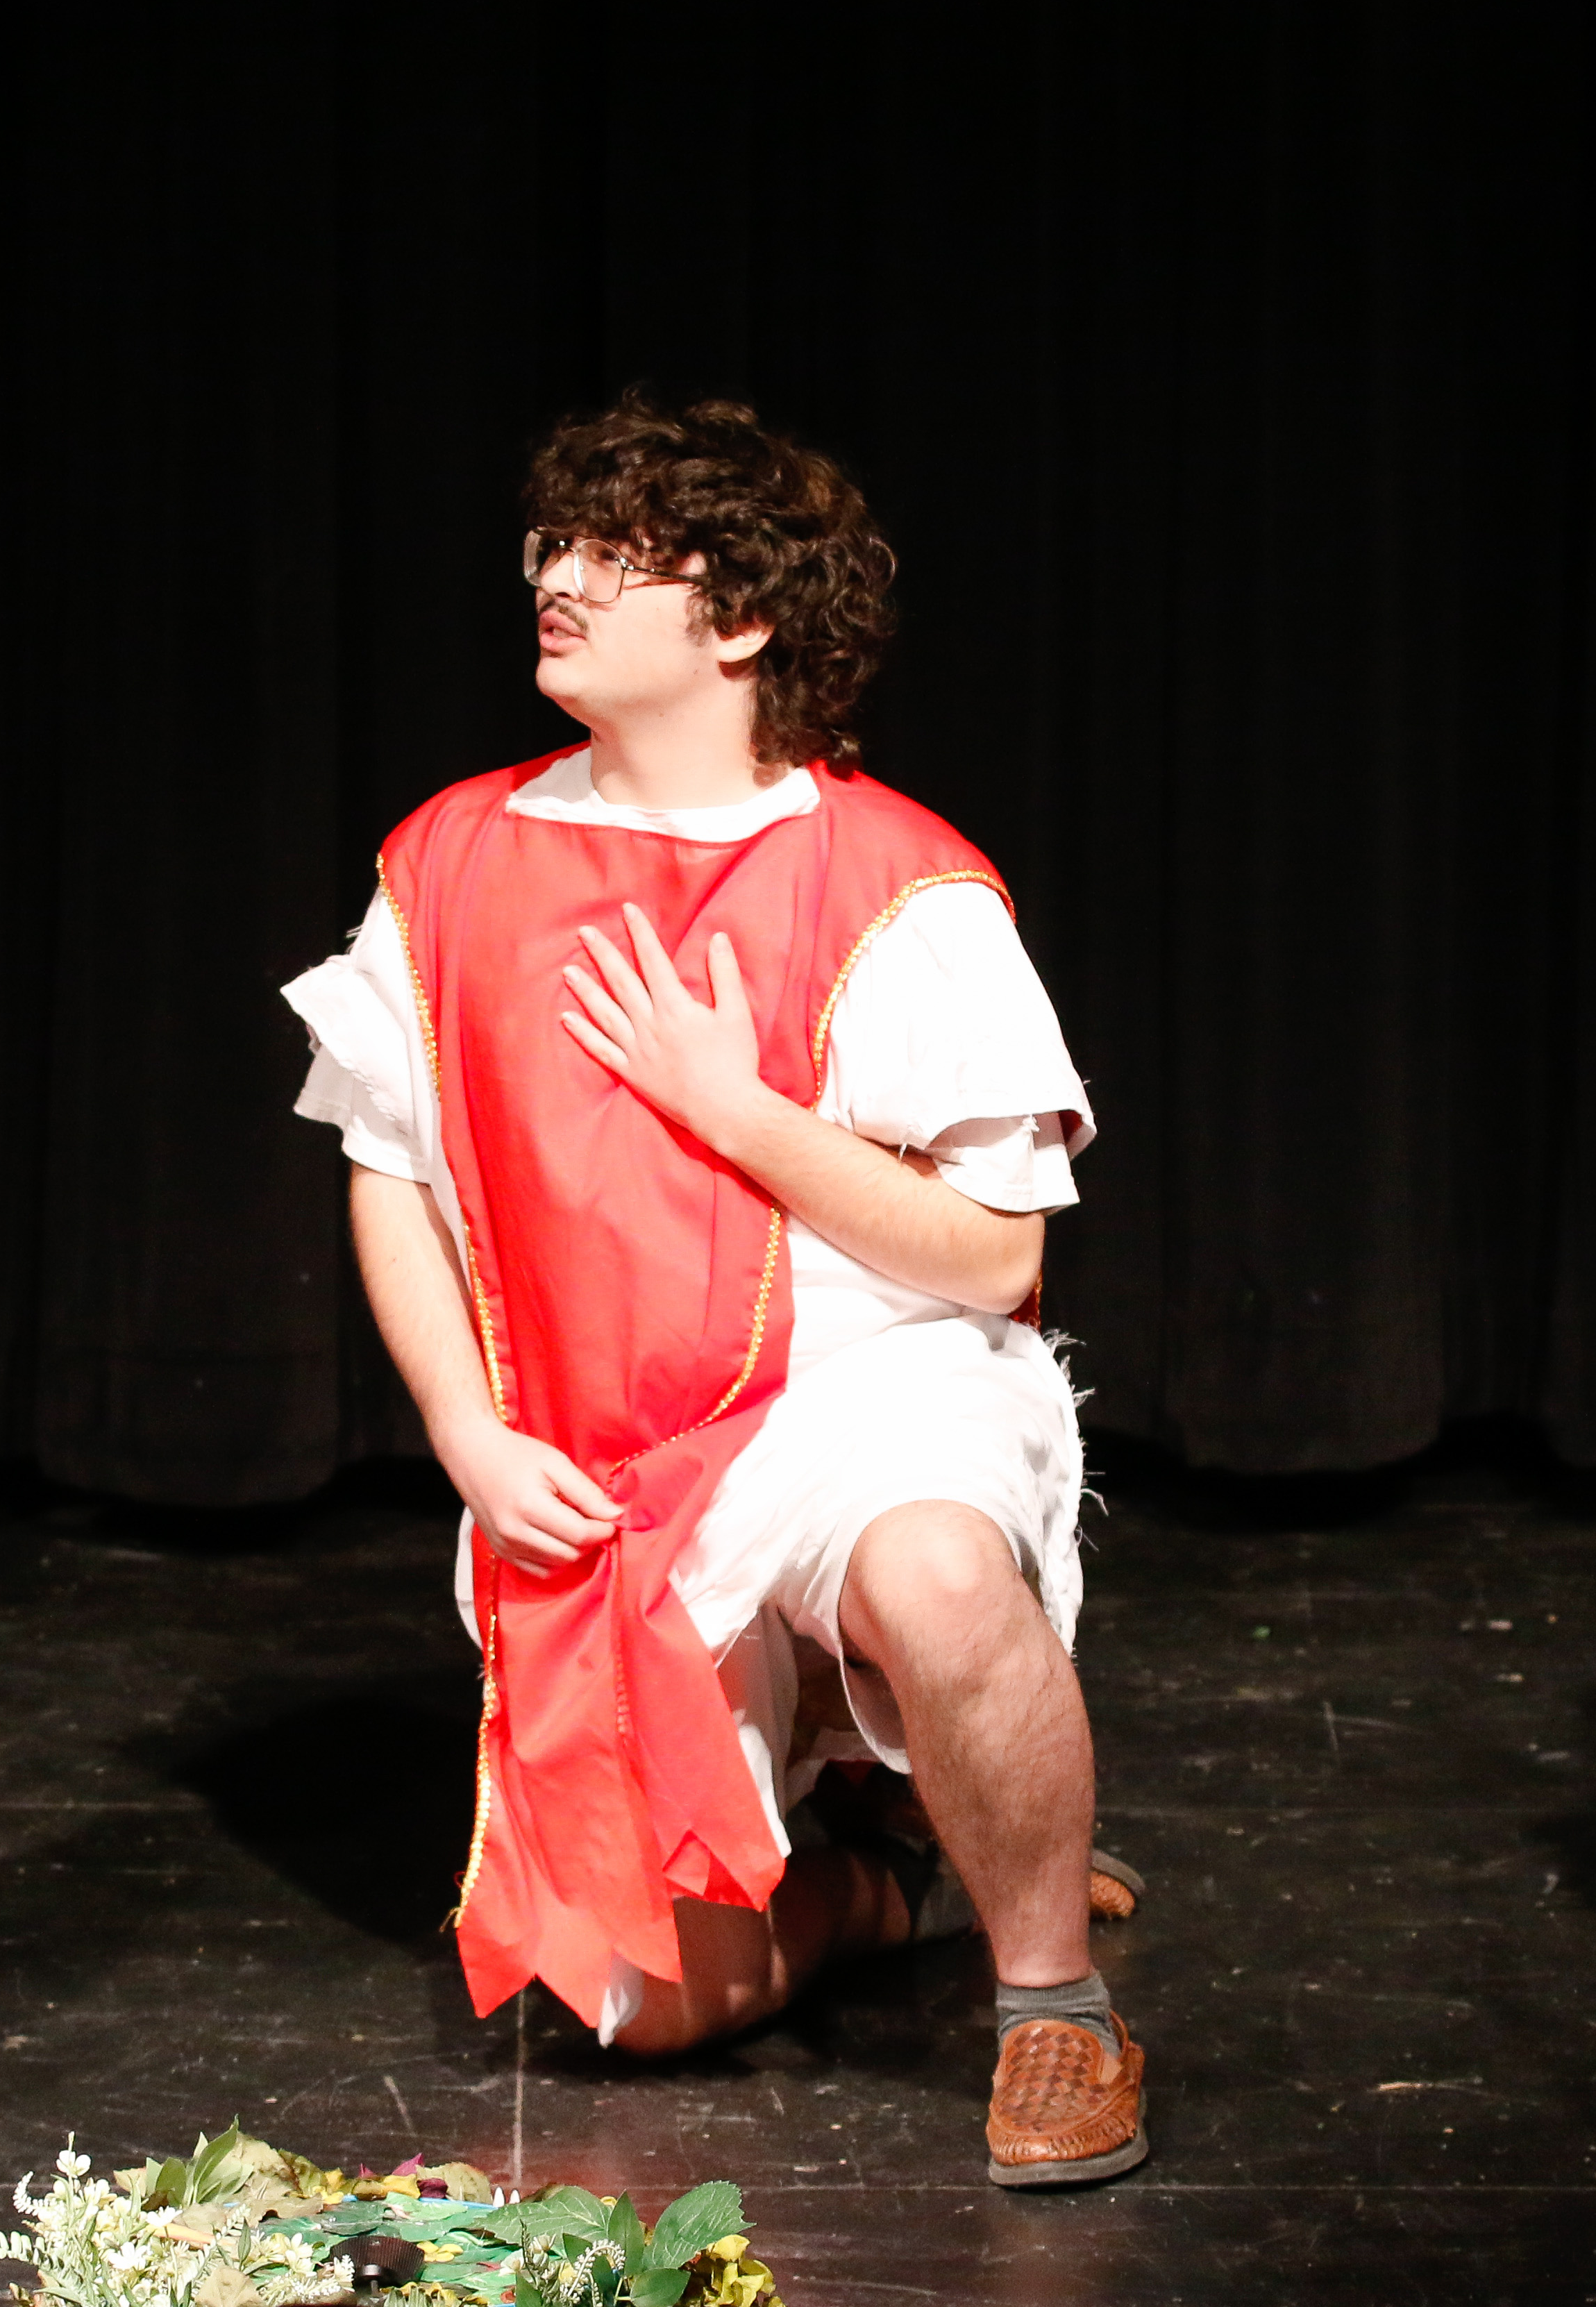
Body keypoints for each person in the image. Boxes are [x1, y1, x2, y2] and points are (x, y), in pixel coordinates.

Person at [283, 394, 1149, 2186]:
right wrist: (464, 1430)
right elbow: (389, 1169)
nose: (556, 578)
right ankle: (879, 1877)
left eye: (615, 552)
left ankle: (1056, 2004)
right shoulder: (450, 857)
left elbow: (999, 1256)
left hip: (866, 1392)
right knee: (626, 2003)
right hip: (606, 1452)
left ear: (742, 620)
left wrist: (736, 1111)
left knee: (930, 1563)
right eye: (552, 543)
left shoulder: (900, 883)